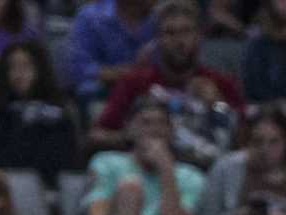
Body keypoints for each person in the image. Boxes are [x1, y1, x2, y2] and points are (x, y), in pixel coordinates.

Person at [97, 1, 245, 164]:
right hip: (145, 173)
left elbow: (246, 141)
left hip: (206, 171)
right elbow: (96, 135)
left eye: (186, 31)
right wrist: (130, 136)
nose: (179, 41)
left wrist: (217, 103)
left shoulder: (221, 82)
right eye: (169, 32)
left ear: (199, 36)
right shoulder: (135, 83)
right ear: (157, 40)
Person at [84, 96, 207, 215]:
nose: (155, 130)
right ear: (128, 129)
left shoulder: (191, 176)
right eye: (145, 122)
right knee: (130, 188)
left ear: (172, 132)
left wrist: (166, 170)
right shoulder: (106, 162)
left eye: (162, 123)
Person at [0, 38, 84, 179]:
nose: (19, 73)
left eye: (26, 66)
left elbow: (65, 160)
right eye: (12, 67)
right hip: (5, 182)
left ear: (40, 69)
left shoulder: (58, 114)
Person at [63, 0, 156, 101]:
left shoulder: (160, 17)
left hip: (152, 93)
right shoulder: (91, 17)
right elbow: (79, 68)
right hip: (102, 93)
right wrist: (127, 74)